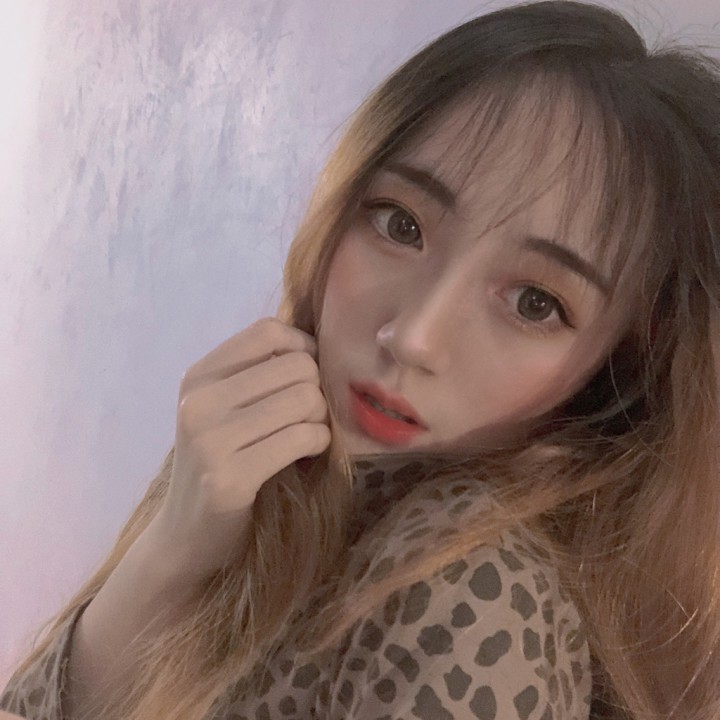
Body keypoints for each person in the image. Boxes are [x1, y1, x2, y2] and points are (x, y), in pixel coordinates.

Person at [3, 1, 720, 718]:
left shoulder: (472, 592)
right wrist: (174, 548)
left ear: (621, 369)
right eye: (400, 225)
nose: (414, 337)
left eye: (535, 303)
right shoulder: (272, 456)